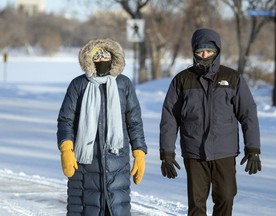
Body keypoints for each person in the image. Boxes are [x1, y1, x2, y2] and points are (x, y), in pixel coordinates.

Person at [159, 28, 262, 216]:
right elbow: (169, 118)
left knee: (226, 198)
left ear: (217, 51)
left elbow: (248, 114)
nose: (204, 55)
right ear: (194, 52)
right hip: (194, 152)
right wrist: (167, 152)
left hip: (224, 151)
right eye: (200, 51)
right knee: (196, 204)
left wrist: (253, 149)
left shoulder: (232, 78)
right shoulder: (182, 80)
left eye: (209, 50)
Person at [57, 38, 147, 216]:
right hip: (84, 164)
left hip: (117, 164)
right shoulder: (79, 85)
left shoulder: (124, 84)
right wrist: (66, 149)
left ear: (114, 59)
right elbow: (65, 120)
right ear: (88, 60)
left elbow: (134, 121)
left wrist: (139, 152)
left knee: (115, 209)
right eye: (96, 58)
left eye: (105, 57)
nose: (101, 61)